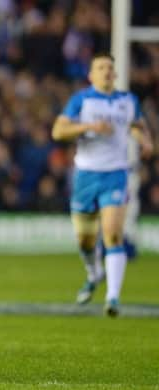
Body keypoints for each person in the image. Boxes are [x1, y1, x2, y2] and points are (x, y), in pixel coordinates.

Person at [52, 53, 153, 316]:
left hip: (116, 174)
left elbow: (137, 125)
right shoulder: (81, 100)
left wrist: (145, 141)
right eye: (101, 67)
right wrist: (89, 127)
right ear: (91, 75)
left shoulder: (127, 101)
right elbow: (58, 131)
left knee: (112, 233)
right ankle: (94, 271)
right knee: (85, 240)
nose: (106, 71)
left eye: (110, 67)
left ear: (115, 74)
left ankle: (113, 299)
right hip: (86, 175)